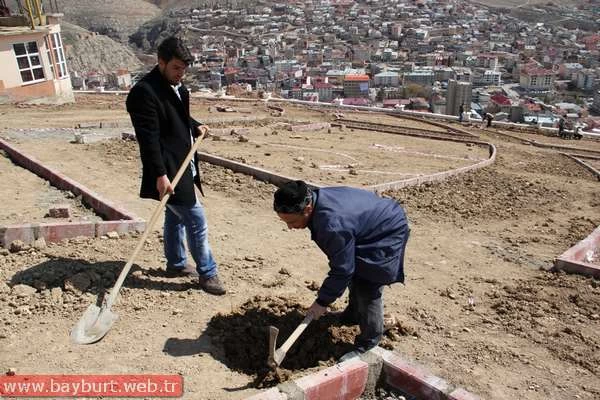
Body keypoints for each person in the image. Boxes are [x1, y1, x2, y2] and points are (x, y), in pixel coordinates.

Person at [126, 37, 225, 295]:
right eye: (176, 68)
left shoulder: (175, 86)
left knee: (174, 216)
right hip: (170, 168)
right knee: (195, 219)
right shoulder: (143, 93)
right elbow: (149, 139)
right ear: (161, 62)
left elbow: (176, 114)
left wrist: (194, 125)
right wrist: (160, 175)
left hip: (185, 161)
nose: (181, 74)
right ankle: (208, 273)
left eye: (184, 69)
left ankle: (177, 263)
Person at [273, 180, 410, 359]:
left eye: (291, 221)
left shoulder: (332, 225)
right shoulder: (315, 200)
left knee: (367, 285)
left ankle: (368, 344)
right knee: (355, 273)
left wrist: (322, 301)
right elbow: (344, 265)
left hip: (386, 229)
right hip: (366, 225)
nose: (289, 227)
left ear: (307, 209)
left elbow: (342, 269)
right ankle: (353, 315)